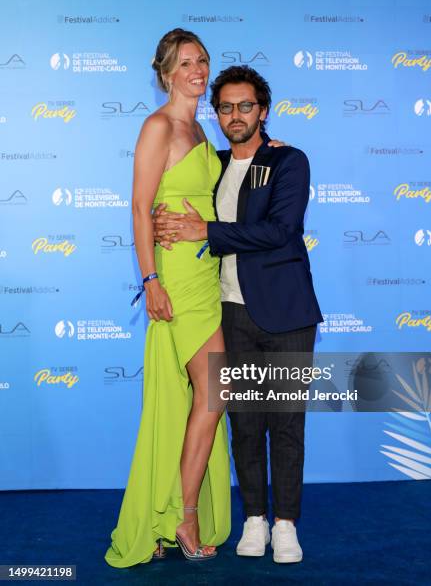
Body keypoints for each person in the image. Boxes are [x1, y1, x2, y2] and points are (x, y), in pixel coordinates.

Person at [154, 65, 323, 564]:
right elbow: (172, 192)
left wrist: (204, 231)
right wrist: (165, 222)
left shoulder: (290, 161)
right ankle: (253, 519)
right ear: (218, 113)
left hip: (287, 314)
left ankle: (286, 524)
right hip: (230, 313)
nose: (235, 115)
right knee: (245, 423)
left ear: (262, 111)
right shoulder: (215, 162)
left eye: (245, 106)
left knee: (287, 422)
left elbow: (279, 230)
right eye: (225, 107)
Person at [104, 28, 232, 566]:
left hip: (206, 276)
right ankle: (181, 515)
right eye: (185, 63)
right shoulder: (158, 126)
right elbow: (139, 208)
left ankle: (169, 512)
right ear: (165, 75)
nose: (197, 70)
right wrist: (150, 280)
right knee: (215, 391)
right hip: (176, 279)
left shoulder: (201, 128)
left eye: (202, 60)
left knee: (201, 398)